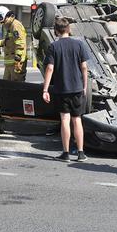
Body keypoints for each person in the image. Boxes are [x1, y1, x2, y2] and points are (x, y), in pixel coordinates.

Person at [42, 17, 89, 162]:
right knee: (77, 120)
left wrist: (45, 89)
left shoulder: (53, 47)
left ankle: (66, 153)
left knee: (65, 119)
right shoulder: (79, 45)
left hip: (62, 89)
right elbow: (84, 67)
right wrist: (85, 86)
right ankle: (81, 153)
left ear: (56, 31)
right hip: (77, 89)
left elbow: (50, 68)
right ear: (69, 29)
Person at [0, 6, 27, 82]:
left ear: (5, 16)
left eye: (3, 22)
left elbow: (20, 43)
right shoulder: (10, 27)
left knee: (16, 88)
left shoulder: (15, 25)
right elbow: (9, 41)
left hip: (16, 64)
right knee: (7, 87)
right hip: (10, 64)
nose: (3, 24)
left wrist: (17, 60)